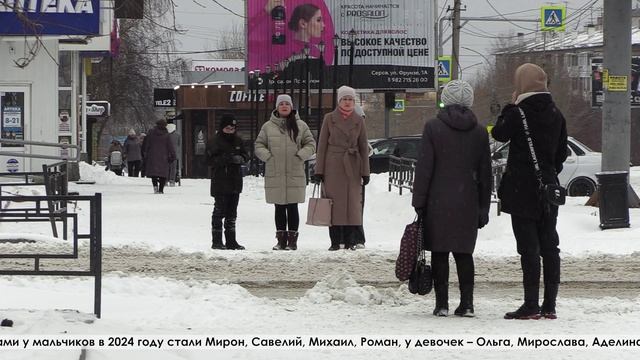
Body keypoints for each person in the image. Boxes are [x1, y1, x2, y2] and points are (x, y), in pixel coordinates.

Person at [491, 63, 568, 320]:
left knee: (529, 248)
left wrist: (510, 106)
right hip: (549, 189)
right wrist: (547, 173)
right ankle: (550, 305)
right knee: (550, 246)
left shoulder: (518, 112)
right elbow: (560, 155)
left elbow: (500, 134)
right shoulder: (557, 114)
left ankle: (530, 304)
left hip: (521, 188)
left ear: (521, 84)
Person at [412, 80, 492, 317]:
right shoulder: (479, 132)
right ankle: (467, 304)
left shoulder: (433, 128)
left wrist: (419, 201)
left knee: (440, 252)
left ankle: (442, 304)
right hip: (468, 201)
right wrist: (483, 207)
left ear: (445, 99)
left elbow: (425, 168)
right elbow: (485, 174)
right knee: (464, 254)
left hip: (438, 200)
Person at [255, 94, 316, 250]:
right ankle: (281, 240)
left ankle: (292, 240)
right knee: (279, 207)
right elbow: (259, 145)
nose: (284, 106)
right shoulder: (267, 126)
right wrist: (268, 157)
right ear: (276, 107)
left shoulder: (300, 125)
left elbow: (311, 144)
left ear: (291, 107)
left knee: (292, 207)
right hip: (275, 172)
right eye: (281, 103)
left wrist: (300, 156)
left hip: (294, 172)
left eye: (286, 104)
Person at [313, 86, 370, 251]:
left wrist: (365, 172)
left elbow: (363, 147)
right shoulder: (329, 118)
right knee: (334, 204)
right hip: (333, 166)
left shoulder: (359, 120)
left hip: (353, 165)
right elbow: (322, 145)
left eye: (350, 99)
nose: (347, 102)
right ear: (339, 101)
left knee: (352, 204)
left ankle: (351, 240)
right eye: (344, 99)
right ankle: (335, 241)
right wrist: (319, 170)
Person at [206, 114, 249, 250]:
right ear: (222, 127)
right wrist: (225, 159)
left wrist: (240, 158)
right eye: (228, 128)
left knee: (232, 213)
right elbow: (208, 160)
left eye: (232, 128)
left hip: (235, 182)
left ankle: (231, 241)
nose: (230, 130)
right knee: (219, 212)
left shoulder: (238, 140)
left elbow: (246, 155)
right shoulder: (214, 141)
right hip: (220, 182)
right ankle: (217, 241)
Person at [142, 120, 176, 194]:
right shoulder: (166, 135)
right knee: (163, 173)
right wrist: (173, 155)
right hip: (163, 157)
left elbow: (147, 145)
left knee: (154, 173)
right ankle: (161, 189)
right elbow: (170, 146)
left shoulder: (151, 133)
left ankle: (155, 186)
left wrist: (146, 154)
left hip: (152, 156)